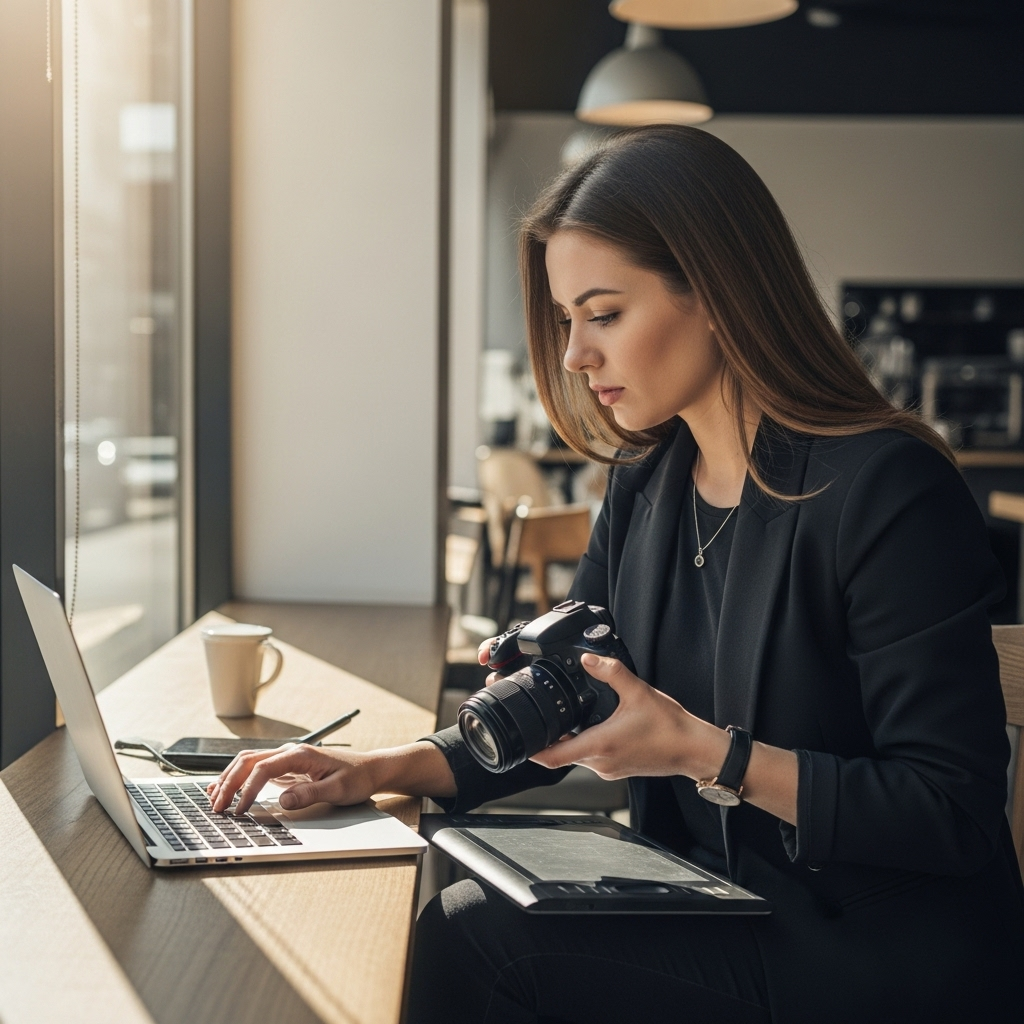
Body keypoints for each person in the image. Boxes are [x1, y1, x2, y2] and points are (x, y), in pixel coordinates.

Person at [208, 126, 1024, 1023]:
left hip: (876, 952)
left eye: (603, 314)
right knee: (462, 894)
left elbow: (950, 808)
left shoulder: (885, 489)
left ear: (716, 293)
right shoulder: (648, 481)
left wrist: (702, 753)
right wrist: (380, 768)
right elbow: (570, 689)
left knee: (474, 934)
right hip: (715, 900)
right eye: (567, 321)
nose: (573, 356)